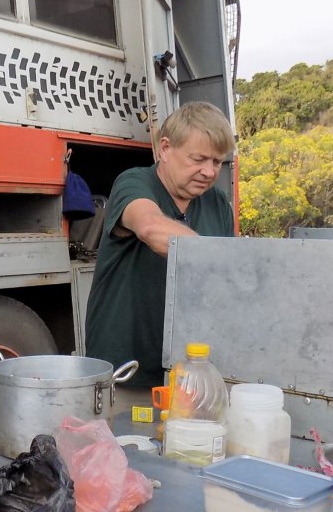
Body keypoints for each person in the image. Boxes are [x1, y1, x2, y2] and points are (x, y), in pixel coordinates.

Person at [84, 101, 236, 391]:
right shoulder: (133, 182)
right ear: (165, 149)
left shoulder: (217, 203)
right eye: (199, 159)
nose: (209, 171)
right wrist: (221, 258)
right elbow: (152, 228)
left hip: (191, 378)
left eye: (217, 162)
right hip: (126, 375)